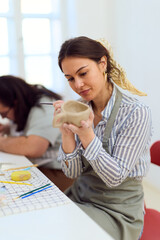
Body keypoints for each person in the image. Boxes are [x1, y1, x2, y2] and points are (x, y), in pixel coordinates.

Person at [53, 36, 152, 240]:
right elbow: (72, 172)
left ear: (102, 64)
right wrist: (67, 134)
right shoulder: (80, 108)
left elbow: (114, 178)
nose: (78, 84)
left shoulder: (136, 113)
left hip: (117, 210)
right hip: (80, 196)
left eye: (83, 73)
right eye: (70, 78)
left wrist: (87, 135)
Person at [0, 75, 62, 168]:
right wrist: (6, 128)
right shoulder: (26, 106)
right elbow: (31, 126)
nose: (4, 118)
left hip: (57, 170)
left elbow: (33, 148)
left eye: (4, 114)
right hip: (39, 165)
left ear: (16, 103)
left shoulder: (44, 106)